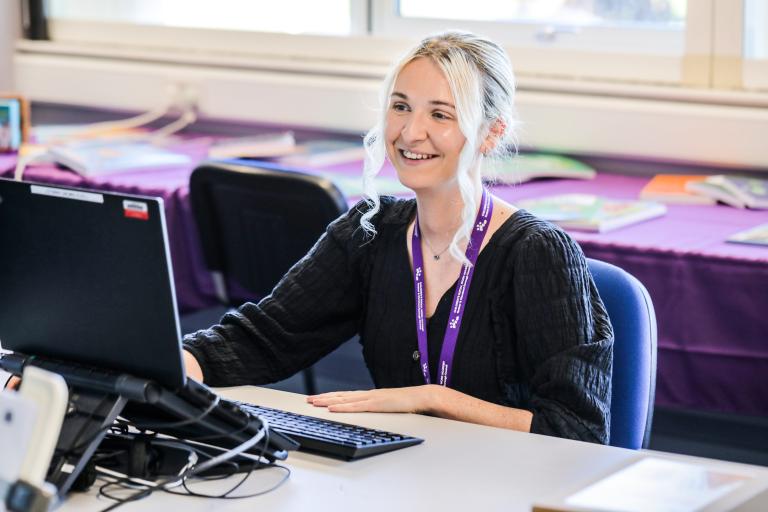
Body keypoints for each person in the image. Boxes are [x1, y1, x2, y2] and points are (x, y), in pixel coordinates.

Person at [185, 30, 614, 443]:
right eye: (401, 107)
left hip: (506, 486)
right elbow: (264, 338)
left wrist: (431, 399)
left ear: (492, 133)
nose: (410, 133)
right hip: (399, 474)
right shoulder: (369, 231)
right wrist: (170, 361)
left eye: (441, 114)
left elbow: (576, 430)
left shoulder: (537, 253)